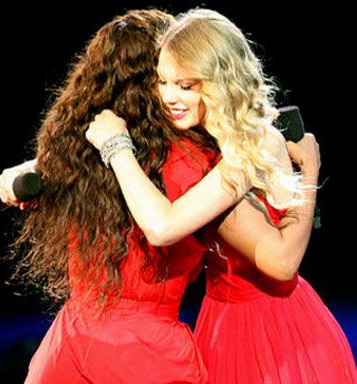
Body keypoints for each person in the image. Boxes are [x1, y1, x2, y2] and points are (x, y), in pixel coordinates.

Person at [85, 8, 357, 384]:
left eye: (186, 85)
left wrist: (116, 147)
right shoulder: (198, 135)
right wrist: (35, 169)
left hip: (273, 331)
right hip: (221, 318)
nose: (168, 97)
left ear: (221, 80)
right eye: (163, 82)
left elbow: (278, 262)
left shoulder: (251, 146)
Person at [0, 9, 225, 383]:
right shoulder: (197, 161)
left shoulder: (81, 157)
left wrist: (33, 166)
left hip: (68, 349)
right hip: (146, 354)